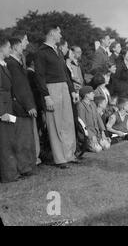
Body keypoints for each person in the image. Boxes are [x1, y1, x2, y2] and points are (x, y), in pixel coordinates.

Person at [34, 25, 78, 169]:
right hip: (51, 89)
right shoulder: (41, 52)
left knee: (68, 122)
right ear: (52, 33)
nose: (61, 35)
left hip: (64, 87)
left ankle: (69, 154)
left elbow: (65, 73)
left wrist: (71, 90)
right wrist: (46, 96)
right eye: (59, 33)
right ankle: (60, 158)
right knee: (55, 125)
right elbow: (39, 76)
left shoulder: (57, 51)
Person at [5, 37, 38, 176]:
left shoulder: (15, 63)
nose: (23, 47)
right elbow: (20, 87)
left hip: (20, 106)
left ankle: (27, 166)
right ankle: (24, 168)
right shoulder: (12, 64)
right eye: (21, 44)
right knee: (23, 138)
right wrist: (29, 105)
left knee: (25, 137)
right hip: (20, 107)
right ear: (14, 47)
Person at [0, 37, 23, 182]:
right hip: (3, 108)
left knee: (8, 141)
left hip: (7, 105)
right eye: (8, 47)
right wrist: (2, 113)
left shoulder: (3, 65)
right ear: (1, 48)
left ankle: (11, 173)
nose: (10, 49)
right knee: (4, 142)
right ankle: (8, 175)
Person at [77, 86, 110, 152]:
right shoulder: (80, 106)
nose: (94, 94)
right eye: (92, 93)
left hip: (97, 132)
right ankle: (85, 145)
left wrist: (103, 132)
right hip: (87, 134)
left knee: (107, 146)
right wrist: (91, 136)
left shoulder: (92, 104)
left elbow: (98, 118)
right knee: (98, 149)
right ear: (86, 95)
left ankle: (96, 143)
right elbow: (82, 123)